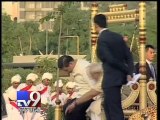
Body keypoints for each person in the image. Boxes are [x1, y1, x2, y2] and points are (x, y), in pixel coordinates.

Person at [94, 14, 134, 120]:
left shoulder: (102, 39)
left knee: (114, 112)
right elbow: (129, 55)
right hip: (118, 79)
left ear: (96, 25)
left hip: (110, 80)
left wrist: (126, 70)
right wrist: (129, 72)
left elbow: (109, 59)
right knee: (109, 109)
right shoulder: (117, 36)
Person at [58, 55, 94, 120]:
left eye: (66, 70)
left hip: (90, 97)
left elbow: (94, 88)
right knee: (66, 106)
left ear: (71, 63)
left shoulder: (84, 68)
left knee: (74, 110)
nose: (67, 72)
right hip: (81, 96)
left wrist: (75, 103)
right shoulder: (76, 68)